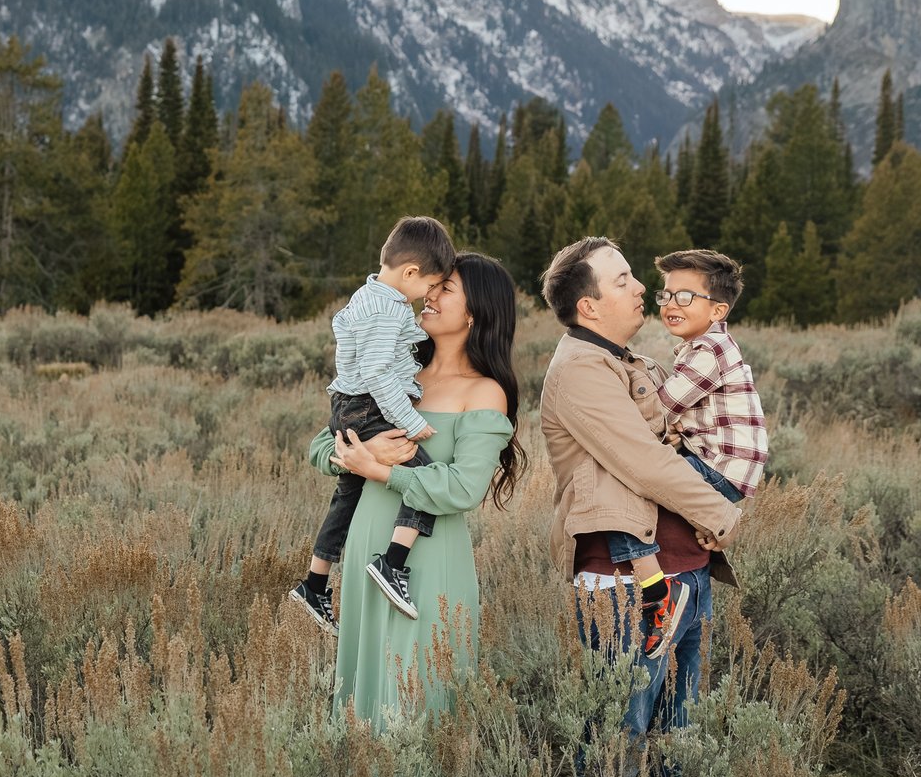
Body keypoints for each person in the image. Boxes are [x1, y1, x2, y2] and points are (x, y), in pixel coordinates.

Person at [537, 237, 737, 748]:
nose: (641, 288)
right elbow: (643, 460)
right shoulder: (581, 368)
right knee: (617, 737)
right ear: (588, 306)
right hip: (626, 587)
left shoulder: (628, 360)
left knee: (678, 734)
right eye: (622, 279)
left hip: (683, 568)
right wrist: (720, 512)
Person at [310, 252, 522, 723]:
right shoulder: (395, 369)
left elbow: (464, 489)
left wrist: (382, 471)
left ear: (475, 312)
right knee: (360, 703)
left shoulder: (484, 392)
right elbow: (320, 444)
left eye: (446, 289)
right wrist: (352, 456)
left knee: (411, 699)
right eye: (432, 285)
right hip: (367, 549)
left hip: (426, 562)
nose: (428, 295)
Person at [291, 216, 459, 633]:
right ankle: (393, 563)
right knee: (421, 474)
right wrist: (408, 420)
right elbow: (378, 371)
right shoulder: (387, 308)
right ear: (410, 273)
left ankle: (315, 582)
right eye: (428, 287)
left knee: (346, 494)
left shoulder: (367, 297)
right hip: (369, 407)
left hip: (346, 406)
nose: (427, 297)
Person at [651, 248, 769, 508]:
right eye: (667, 295)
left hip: (719, 468)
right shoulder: (705, 347)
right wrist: (674, 432)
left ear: (717, 311)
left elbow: (659, 408)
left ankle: (633, 550)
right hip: (714, 463)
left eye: (684, 297)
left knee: (634, 478)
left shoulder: (710, 350)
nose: (671, 304)